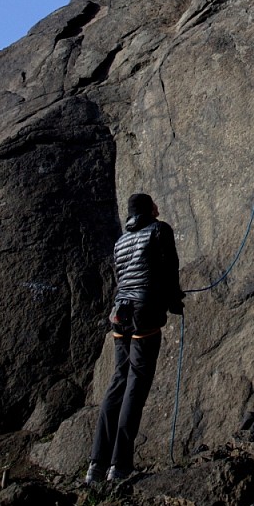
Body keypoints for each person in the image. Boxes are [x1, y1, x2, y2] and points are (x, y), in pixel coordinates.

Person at [86, 193, 184, 484]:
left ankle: (96, 464)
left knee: (118, 381)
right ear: (148, 209)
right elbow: (169, 269)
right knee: (136, 384)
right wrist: (174, 300)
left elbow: (123, 278)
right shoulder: (159, 229)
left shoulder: (120, 242)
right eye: (154, 204)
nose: (158, 208)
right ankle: (120, 464)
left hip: (120, 313)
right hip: (144, 312)